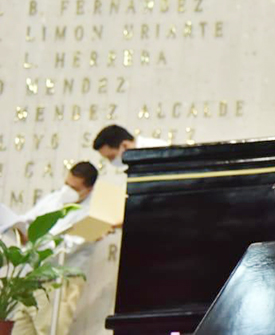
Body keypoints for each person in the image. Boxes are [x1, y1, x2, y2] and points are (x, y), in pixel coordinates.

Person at [12, 162, 98, 335]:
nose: (67, 190)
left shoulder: (95, 214)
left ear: (88, 190)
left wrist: (36, 240)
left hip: (59, 282)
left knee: (49, 330)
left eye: (74, 188)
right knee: (21, 329)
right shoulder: (55, 198)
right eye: (66, 184)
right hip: (31, 278)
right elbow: (28, 221)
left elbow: (67, 247)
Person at [92, 125, 167, 169]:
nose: (111, 161)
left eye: (111, 157)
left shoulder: (159, 149)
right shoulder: (132, 162)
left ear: (125, 145)